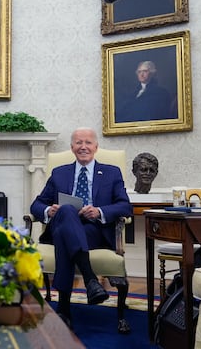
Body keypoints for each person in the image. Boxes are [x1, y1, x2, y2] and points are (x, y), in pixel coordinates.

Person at [30, 127, 132, 330]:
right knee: (66, 211)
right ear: (72, 147)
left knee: (64, 236)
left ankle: (64, 310)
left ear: (96, 147)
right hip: (64, 223)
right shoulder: (59, 173)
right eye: (78, 143)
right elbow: (36, 205)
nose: (83, 147)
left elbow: (124, 205)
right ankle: (90, 279)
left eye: (87, 143)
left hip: (94, 231)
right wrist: (50, 210)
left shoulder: (112, 173)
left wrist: (99, 211)